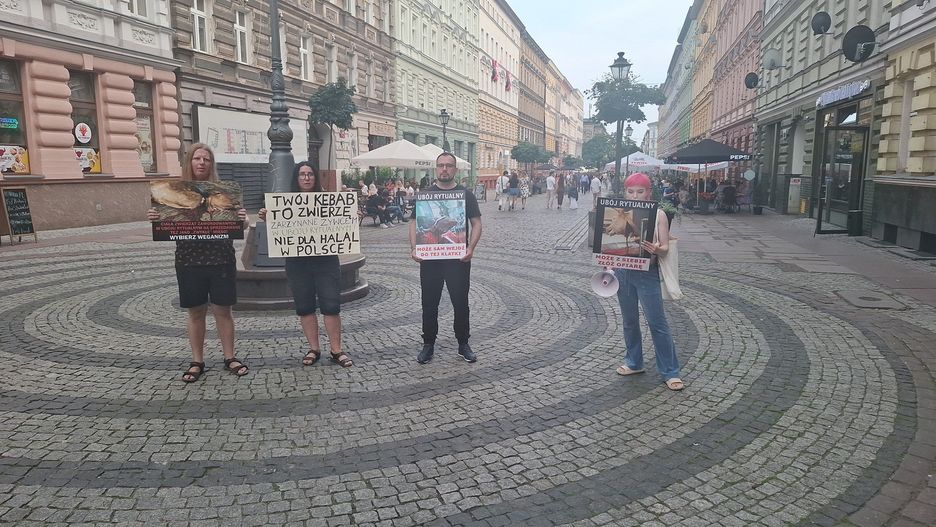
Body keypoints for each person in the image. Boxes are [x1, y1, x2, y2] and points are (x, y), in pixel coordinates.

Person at [146, 144, 249, 383]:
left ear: (212, 164)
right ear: (189, 162)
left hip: (221, 258)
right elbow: (166, 223)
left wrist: (241, 221)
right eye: (197, 158)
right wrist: (155, 217)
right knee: (195, 312)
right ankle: (197, 360)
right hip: (188, 259)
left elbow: (237, 227)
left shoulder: (224, 192)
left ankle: (229, 356)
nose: (202, 162)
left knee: (224, 310)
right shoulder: (173, 191)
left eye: (207, 159)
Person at [257, 162, 352, 368]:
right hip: (297, 262)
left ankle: (336, 349)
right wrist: (269, 217)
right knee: (305, 306)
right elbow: (279, 230)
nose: (307, 178)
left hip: (326, 260)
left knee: (331, 306)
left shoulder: (328, 201)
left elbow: (340, 225)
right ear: (296, 178)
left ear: (315, 178)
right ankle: (314, 348)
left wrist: (351, 218)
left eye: (310, 174)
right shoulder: (285, 203)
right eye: (302, 174)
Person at [613, 173, 684, 391]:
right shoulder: (619, 212)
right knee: (629, 321)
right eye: (630, 191)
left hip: (647, 273)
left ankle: (670, 371)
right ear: (625, 192)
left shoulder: (659, 214)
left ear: (649, 192)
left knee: (657, 322)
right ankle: (634, 362)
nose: (635, 195)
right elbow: (610, 240)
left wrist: (656, 249)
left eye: (640, 191)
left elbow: (665, 247)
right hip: (623, 271)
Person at [410, 152, 482, 364]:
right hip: (430, 260)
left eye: (448, 166)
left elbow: (476, 223)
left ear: (455, 170)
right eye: (440, 165)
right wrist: (414, 248)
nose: (444, 169)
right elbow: (413, 223)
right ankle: (428, 344)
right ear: (435, 169)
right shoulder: (424, 194)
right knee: (429, 303)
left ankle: (463, 343)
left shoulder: (465, 195)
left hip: (457, 260)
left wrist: (471, 247)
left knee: (461, 303)